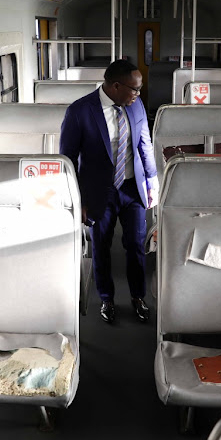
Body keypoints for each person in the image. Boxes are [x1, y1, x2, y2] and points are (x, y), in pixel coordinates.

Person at [60, 60, 159, 324]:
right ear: (116, 86)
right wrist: (75, 199)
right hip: (98, 192)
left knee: (136, 246)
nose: (139, 95)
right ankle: (106, 298)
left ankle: (138, 297)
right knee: (101, 248)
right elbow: (67, 159)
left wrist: (151, 181)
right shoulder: (80, 111)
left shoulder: (135, 105)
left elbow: (144, 144)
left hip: (132, 189)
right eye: (134, 89)